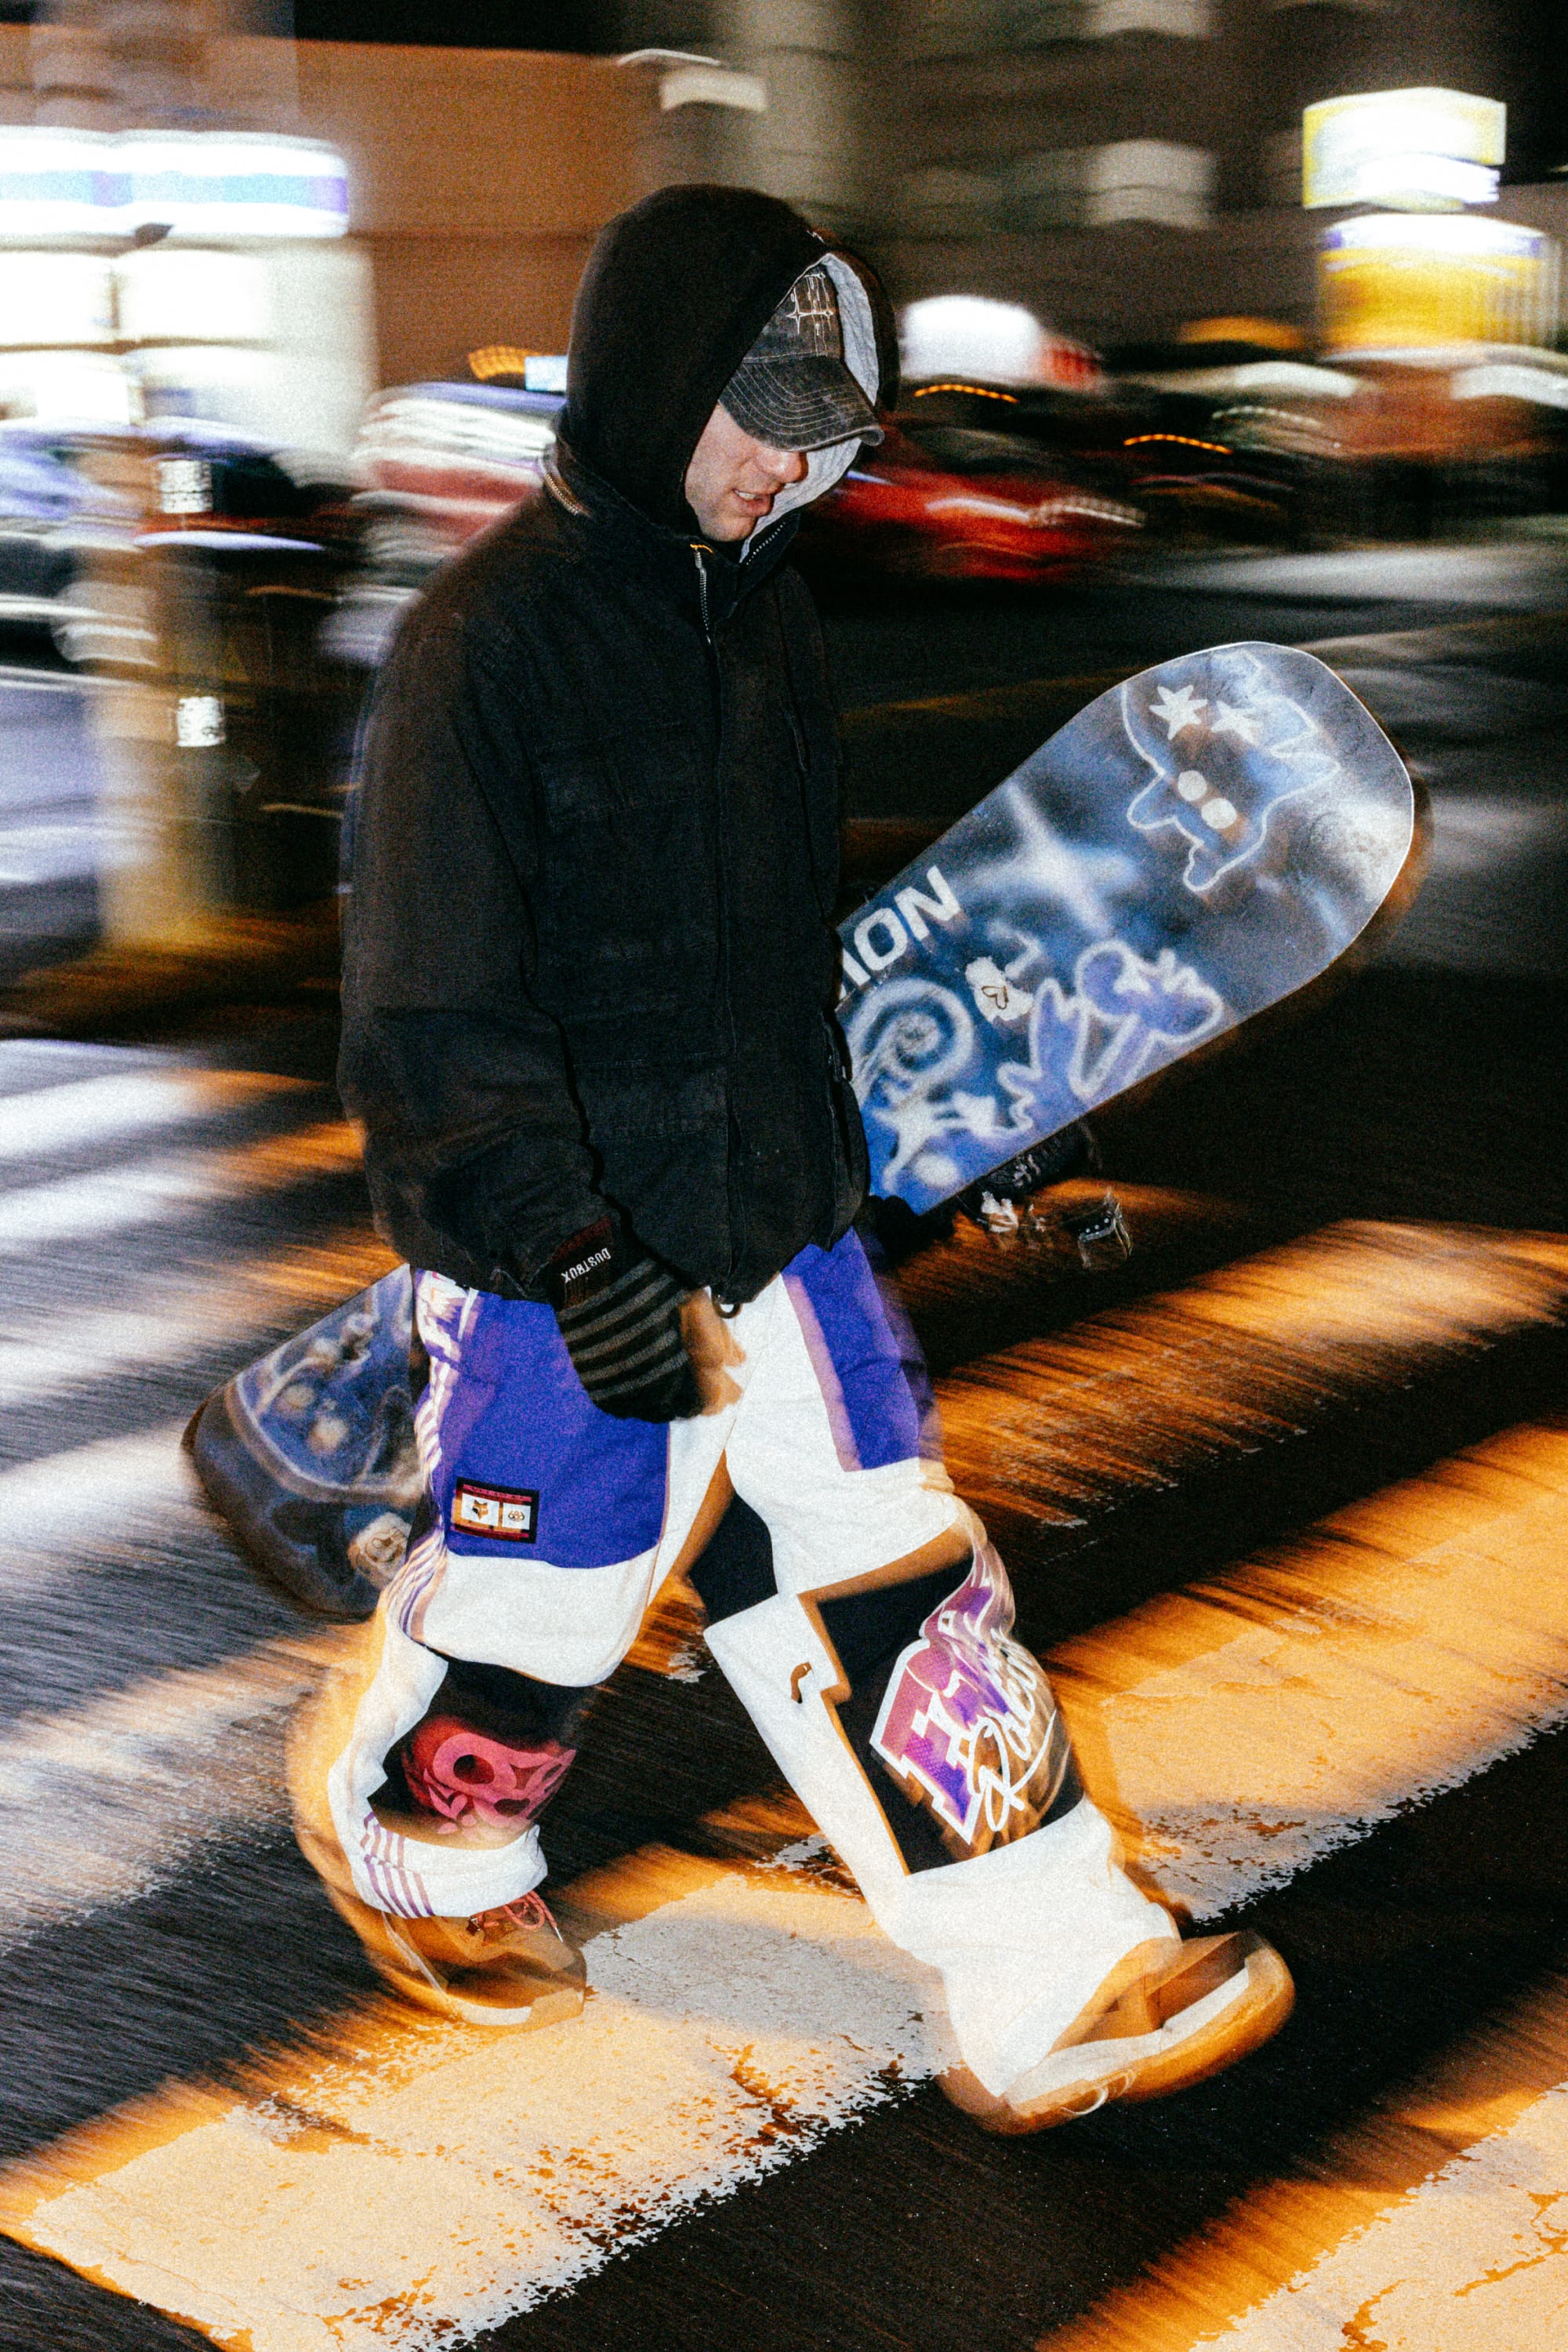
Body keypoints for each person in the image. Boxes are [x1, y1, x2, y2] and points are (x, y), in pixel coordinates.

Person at [289, 183, 1293, 2134]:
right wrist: (566, 1247)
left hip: (789, 1218)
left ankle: (1056, 1972)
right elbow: (429, 1010)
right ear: (655, 383)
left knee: (901, 1584)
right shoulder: (478, 647)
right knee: (543, 1612)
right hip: (559, 1250)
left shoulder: (768, 625)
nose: (780, 468)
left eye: (817, 435)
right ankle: (413, 1838)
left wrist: (955, 1119)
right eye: (755, 420)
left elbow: (788, 950)